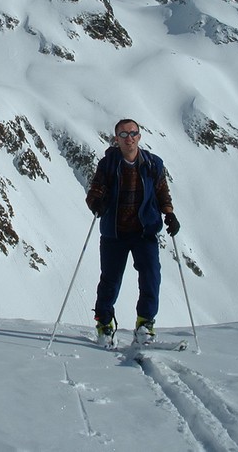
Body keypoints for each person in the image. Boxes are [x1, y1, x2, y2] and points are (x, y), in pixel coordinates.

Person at [86, 118, 180, 348]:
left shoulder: (153, 164)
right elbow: (96, 189)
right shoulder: (108, 164)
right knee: (110, 280)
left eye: (133, 133)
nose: (129, 138)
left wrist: (169, 214)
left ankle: (145, 324)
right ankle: (104, 323)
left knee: (151, 275)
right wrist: (96, 202)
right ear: (116, 139)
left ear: (139, 136)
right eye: (123, 134)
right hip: (114, 233)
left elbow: (161, 191)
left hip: (143, 231)